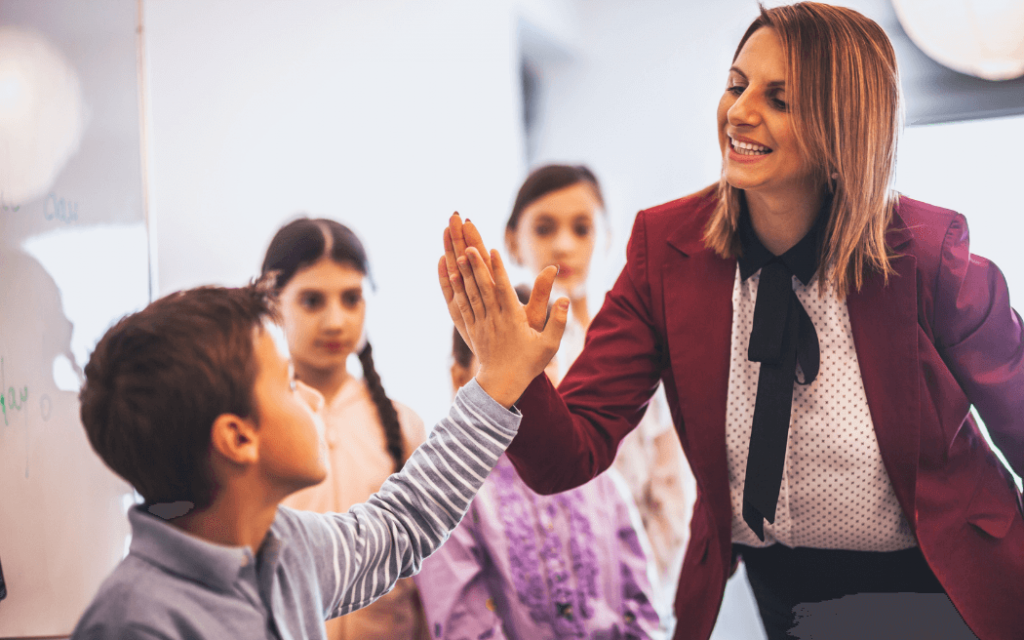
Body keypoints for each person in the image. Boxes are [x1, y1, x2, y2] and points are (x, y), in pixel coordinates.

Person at [438, 3, 1023, 639]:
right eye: (737, 84)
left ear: (844, 123)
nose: (739, 113)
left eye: (780, 98)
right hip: (786, 598)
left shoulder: (930, 251)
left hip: (940, 586)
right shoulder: (665, 249)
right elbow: (567, 458)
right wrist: (511, 374)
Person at [71, 263, 570, 639]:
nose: (312, 397)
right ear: (238, 439)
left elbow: (404, 521)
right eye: (290, 383)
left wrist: (499, 382)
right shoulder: (135, 622)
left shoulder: (286, 549)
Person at [414, 287, 663, 640]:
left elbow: (644, 608)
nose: (526, 377)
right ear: (459, 378)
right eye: (500, 360)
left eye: (543, 361)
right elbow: (464, 626)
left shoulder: (601, 478)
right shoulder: (452, 494)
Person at [504, 165, 693, 609]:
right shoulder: (501, 357)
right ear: (513, 240)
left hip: (637, 597)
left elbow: (671, 489)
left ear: (608, 237)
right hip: (540, 601)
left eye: (582, 228)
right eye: (545, 228)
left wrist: (640, 588)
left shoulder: (642, 343)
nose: (565, 244)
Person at [261, 217, 430, 640]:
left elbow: (431, 574)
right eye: (312, 301)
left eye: (351, 299)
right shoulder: (251, 426)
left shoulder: (404, 425)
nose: (335, 321)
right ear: (272, 302)